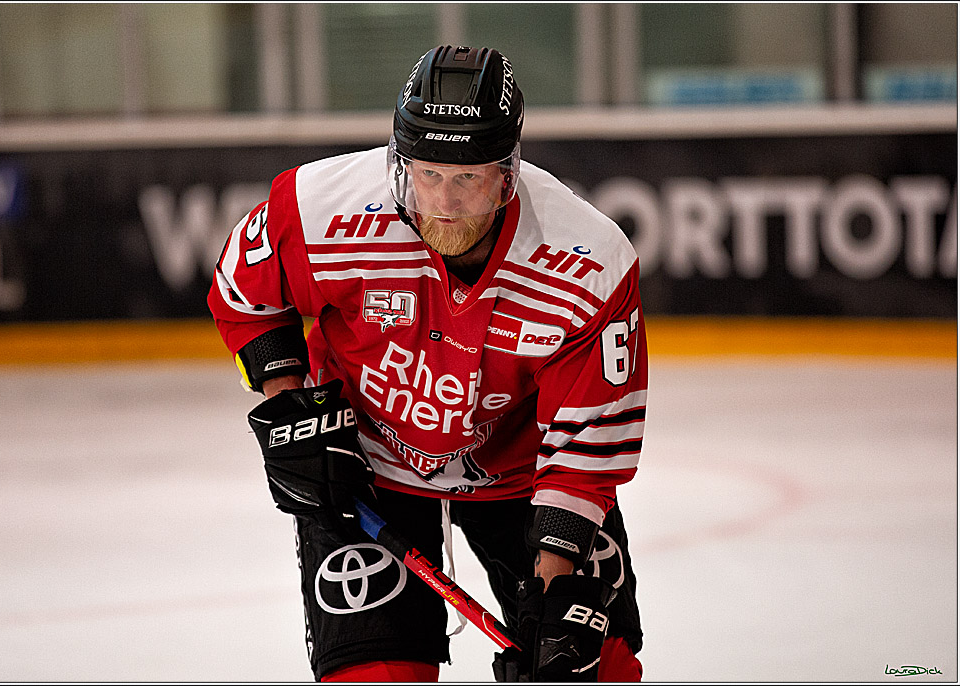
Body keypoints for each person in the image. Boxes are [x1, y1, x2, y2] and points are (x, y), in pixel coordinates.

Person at [208, 45, 648, 683]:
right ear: (399, 163)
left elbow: (587, 449)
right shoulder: (320, 209)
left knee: (593, 670)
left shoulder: (588, 263)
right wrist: (290, 409)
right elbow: (246, 292)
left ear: (507, 174)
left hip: (524, 471)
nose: (444, 200)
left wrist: (555, 594)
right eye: (428, 173)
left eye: (468, 178)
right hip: (363, 468)